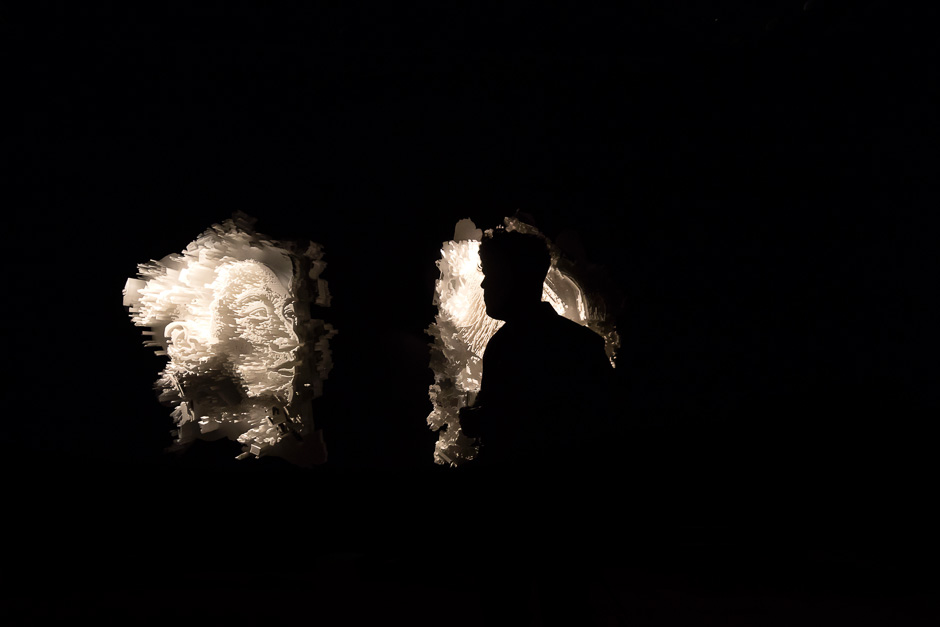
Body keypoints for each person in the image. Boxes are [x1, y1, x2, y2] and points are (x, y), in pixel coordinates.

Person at [459, 228, 614, 474]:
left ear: (514, 279)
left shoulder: (505, 347)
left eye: (491, 274)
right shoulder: (584, 342)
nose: (484, 283)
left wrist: (483, 421)